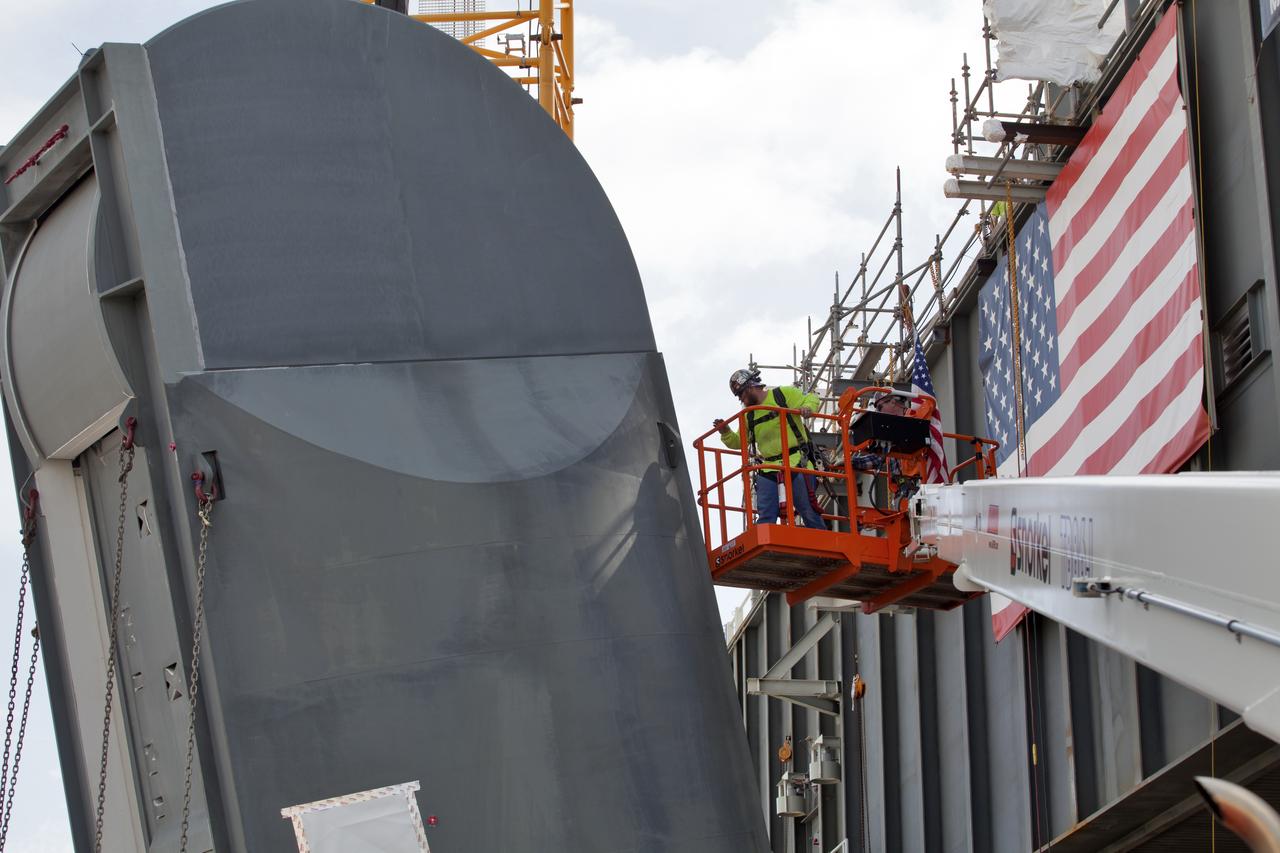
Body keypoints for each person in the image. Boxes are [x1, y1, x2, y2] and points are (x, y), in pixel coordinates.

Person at [714, 369, 827, 530]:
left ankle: (823, 548)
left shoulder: (781, 395)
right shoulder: (749, 415)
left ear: (751, 387)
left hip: (796, 462)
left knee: (807, 510)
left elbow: (810, 397)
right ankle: (766, 546)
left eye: (742, 394)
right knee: (766, 515)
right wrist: (726, 432)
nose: (741, 399)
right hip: (769, 468)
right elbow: (740, 442)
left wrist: (808, 407)